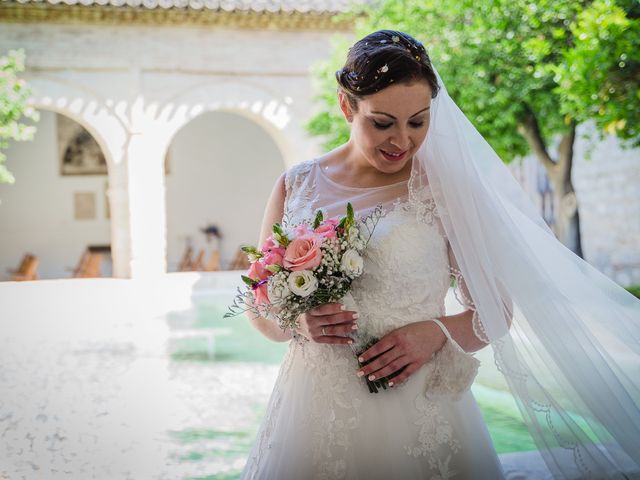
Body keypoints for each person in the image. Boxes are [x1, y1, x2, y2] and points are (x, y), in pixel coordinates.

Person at [241, 30, 640, 480]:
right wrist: (296, 323)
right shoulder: (296, 185)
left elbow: (495, 313)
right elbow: (259, 307)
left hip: (418, 410)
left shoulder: (445, 189)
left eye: (418, 121)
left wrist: (434, 333)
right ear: (347, 106)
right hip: (310, 411)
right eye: (382, 122)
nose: (402, 141)